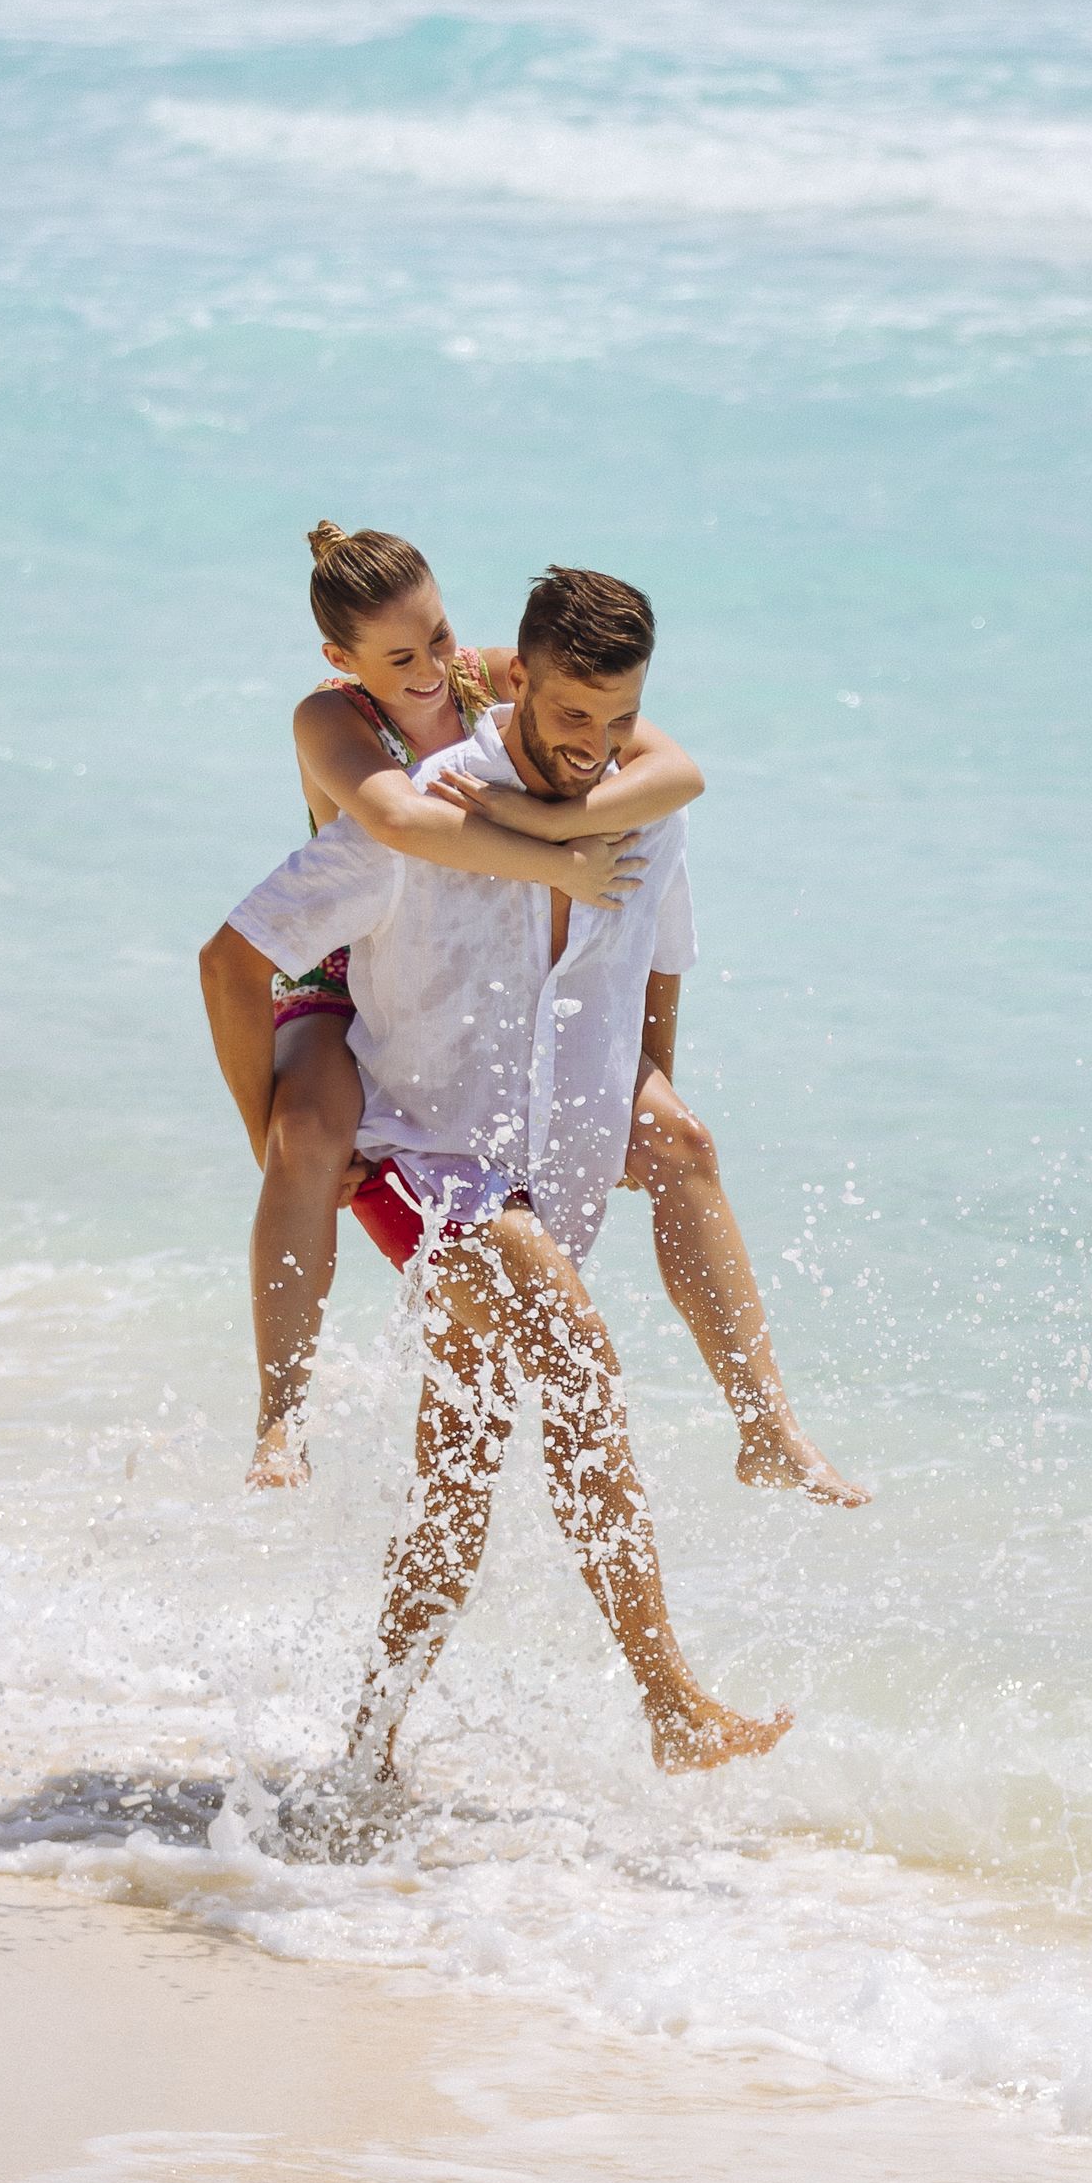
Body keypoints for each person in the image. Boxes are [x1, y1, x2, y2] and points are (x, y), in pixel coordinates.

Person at [199, 566, 791, 1783]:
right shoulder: (409, 803)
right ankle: (671, 1700)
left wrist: (645, 1084)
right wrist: (275, 1131)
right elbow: (229, 957)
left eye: (616, 722)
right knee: (576, 1353)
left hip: (511, 1157)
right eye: (574, 720)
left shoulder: (621, 800)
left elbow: (654, 937)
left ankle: (364, 1756)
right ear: (524, 687)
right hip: (410, 1152)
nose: (597, 747)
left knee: (457, 1475)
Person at [242, 523, 862, 1513]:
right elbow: (403, 822)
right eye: (400, 657)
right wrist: (563, 861)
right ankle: (281, 1411)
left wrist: (562, 824)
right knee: (308, 1132)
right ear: (343, 661)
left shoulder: (500, 676)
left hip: (474, 971)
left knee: (679, 1143)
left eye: (440, 638)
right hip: (343, 964)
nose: (432, 669)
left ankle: (767, 1426)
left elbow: (675, 779)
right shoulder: (331, 717)